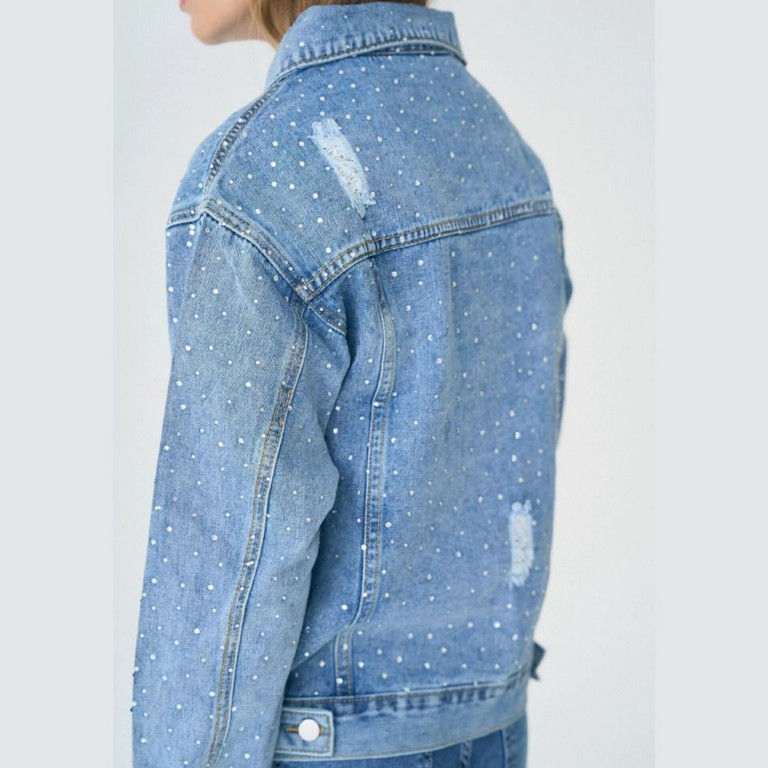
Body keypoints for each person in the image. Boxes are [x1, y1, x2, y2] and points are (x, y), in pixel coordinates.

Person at [130, 1, 574, 766]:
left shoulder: (264, 173)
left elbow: (230, 562)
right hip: (489, 730)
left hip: (331, 744)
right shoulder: (499, 145)